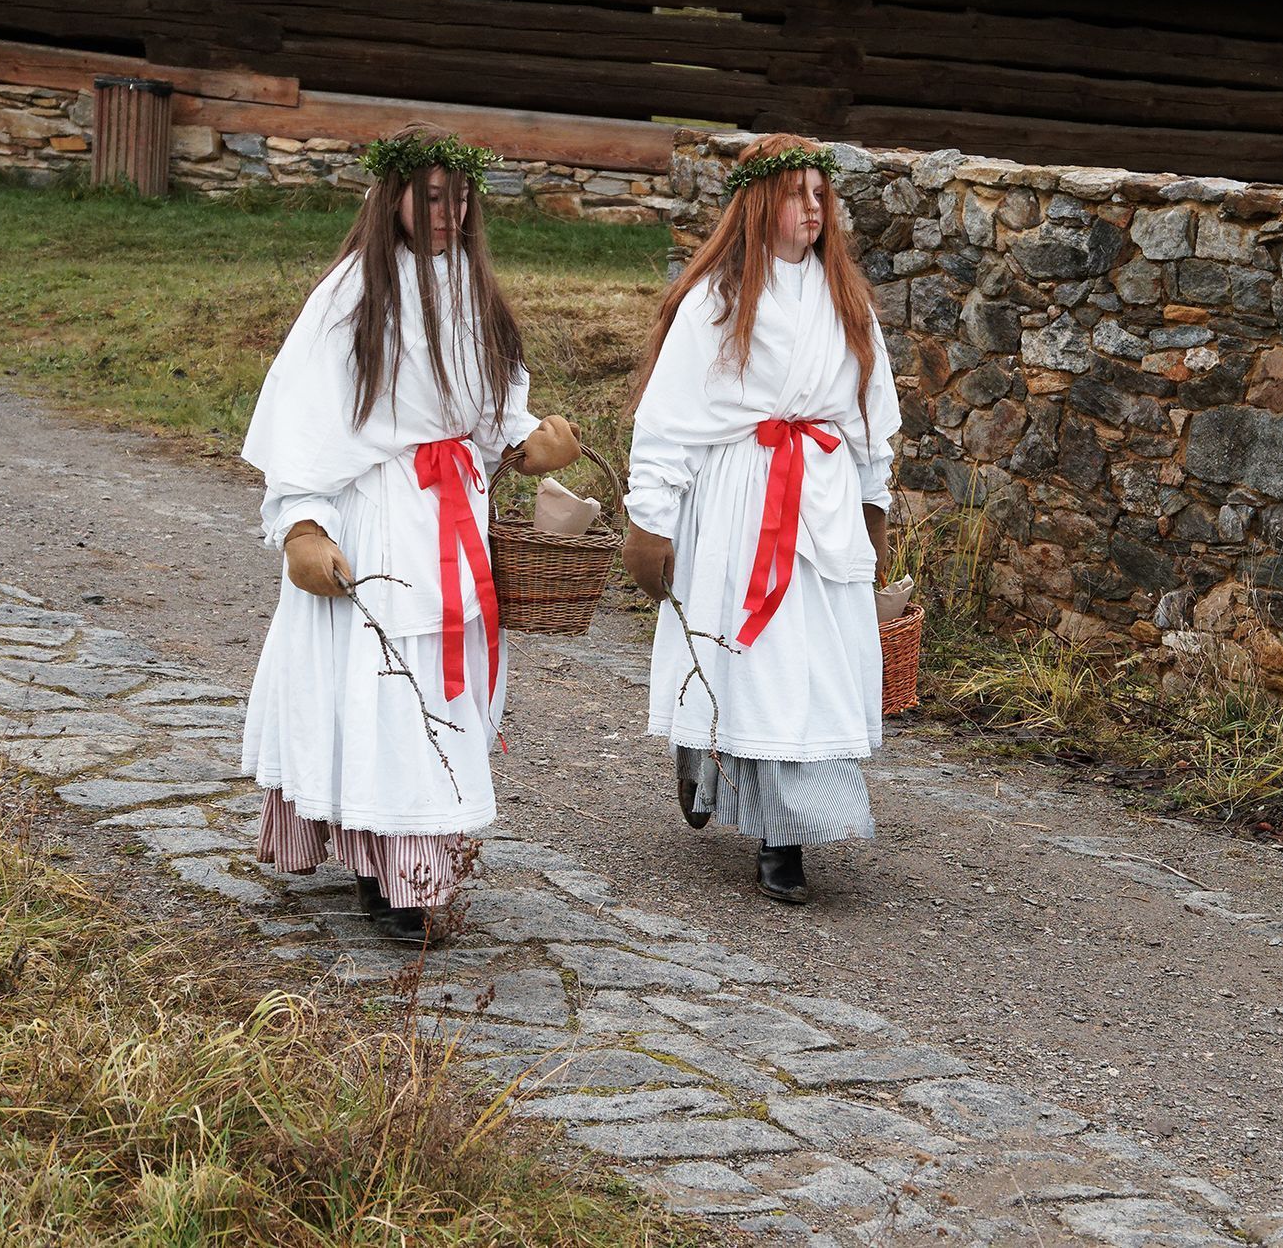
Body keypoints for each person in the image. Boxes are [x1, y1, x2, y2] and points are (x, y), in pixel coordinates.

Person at [240, 124, 580, 941]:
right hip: (379, 512)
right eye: (430, 195)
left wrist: (526, 439)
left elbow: (494, 399)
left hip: (452, 512)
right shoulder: (353, 291)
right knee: (385, 685)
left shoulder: (475, 287)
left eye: (459, 196)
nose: (446, 210)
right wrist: (302, 523)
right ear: (390, 195)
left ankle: (407, 858)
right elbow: (305, 413)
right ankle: (390, 872)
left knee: (439, 684)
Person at [623, 134, 900, 905]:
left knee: (809, 670)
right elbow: (670, 421)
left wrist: (872, 505)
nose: (812, 210)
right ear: (758, 204)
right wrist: (651, 520)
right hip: (741, 499)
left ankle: (788, 833)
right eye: (796, 194)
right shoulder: (718, 297)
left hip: (821, 500)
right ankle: (708, 761)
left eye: (821, 195)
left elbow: (869, 419)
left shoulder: (844, 300)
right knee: (743, 658)